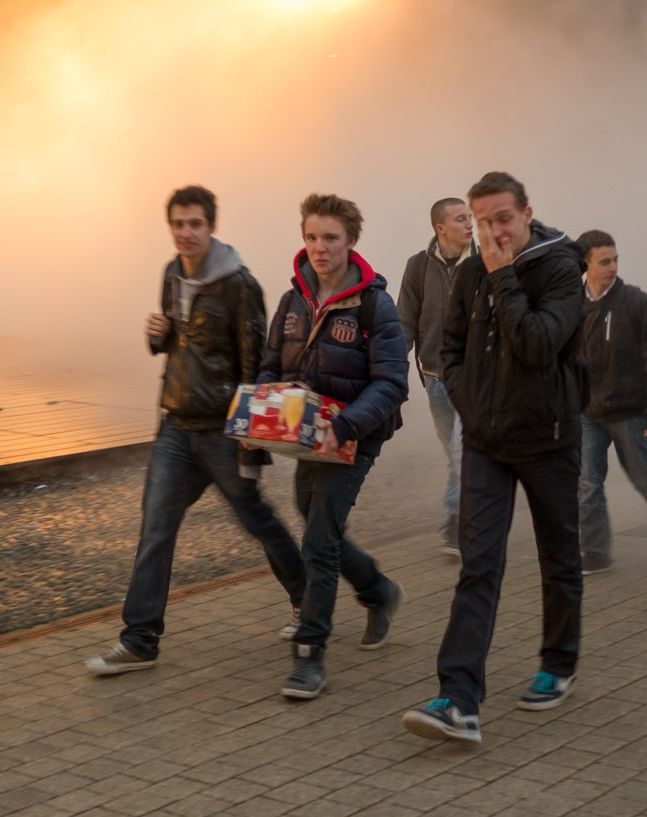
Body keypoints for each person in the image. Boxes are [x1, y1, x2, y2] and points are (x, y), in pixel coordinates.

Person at [86, 185, 308, 676]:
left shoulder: (239, 284)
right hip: (176, 427)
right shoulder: (170, 272)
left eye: (195, 224)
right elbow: (177, 344)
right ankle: (140, 639)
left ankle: (308, 600)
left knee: (257, 520)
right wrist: (158, 338)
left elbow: (256, 362)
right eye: (178, 224)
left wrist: (252, 444)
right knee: (155, 528)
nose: (185, 233)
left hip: (222, 431)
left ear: (212, 226)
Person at [402, 172, 586, 743]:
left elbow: (535, 344)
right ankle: (459, 700)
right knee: (478, 564)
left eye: (502, 218)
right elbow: (449, 348)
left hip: (549, 439)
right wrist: (470, 405)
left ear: (528, 213)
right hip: (486, 441)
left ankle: (558, 664)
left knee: (558, 557)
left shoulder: (561, 268)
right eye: (482, 221)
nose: (492, 231)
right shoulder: (471, 269)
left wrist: (503, 273)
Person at [260, 193, 409, 700]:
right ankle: (378, 591)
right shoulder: (292, 299)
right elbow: (271, 365)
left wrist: (344, 427)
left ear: (351, 241)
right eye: (311, 237)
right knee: (312, 516)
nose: (319, 248)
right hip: (307, 437)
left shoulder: (374, 304)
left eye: (331, 238)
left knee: (319, 541)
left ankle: (309, 654)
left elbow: (391, 385)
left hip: (353, 439)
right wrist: (264, 406)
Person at [574, 229, 647, 575]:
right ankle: (596, 553)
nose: (613, 267)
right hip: (586, 412)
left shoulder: (636, 303)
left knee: (641, 476)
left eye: (615, 260)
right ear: (586, 263)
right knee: (587, 482)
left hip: (629, 411)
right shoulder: (571, 304)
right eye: (604, 261)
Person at [398, 198, 475, 558]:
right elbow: (405, 321)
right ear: (440, 228)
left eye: (470, 217)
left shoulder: (484, 261)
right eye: (461, 219)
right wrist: (390, 372)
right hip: (435, 378)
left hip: (476, 375)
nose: (470, 224)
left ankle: (456, 524)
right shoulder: (418, 266)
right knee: (454, 453)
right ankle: (470, 517)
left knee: (462, 451)